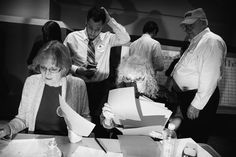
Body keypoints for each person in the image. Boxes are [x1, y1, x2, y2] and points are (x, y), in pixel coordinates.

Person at [0, 41, 90, 142]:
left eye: (53, 69)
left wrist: (81, 130)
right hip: (35, 139)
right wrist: (9, 128)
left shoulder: (78, 85)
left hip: (66, 141)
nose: (47, 73)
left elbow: (85, 117)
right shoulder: (31, 82)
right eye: (43, 67)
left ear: (64, 69)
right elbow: (23, 118)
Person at [63, 6, 130, 137]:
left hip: (101, 87)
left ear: (102, 27)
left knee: (100, 123)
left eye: (98, 29)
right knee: (78, 120)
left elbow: (126, 38)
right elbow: (63, 62)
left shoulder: (107, 38)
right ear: (86, 22)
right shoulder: (72, 38)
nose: (93, 32)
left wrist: (110, 20)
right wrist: (78, 70)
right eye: (90, 28)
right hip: (79, 85)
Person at [170, 8, 227, 143]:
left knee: (195, 139)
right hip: (188, 96)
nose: (187, 28)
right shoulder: (197, 41)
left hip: (199, 97)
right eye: (186, 25)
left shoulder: (211, 41)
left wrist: (197, 104)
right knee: (186, 135)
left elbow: (210, 74)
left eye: (191, 24)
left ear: (203, 23)